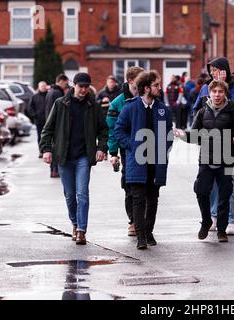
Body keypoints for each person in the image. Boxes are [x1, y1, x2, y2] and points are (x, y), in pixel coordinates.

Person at [174, 79, 234, 243]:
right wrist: (182, 135)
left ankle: (221, 230)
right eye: (214, 92)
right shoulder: (202, 112)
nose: (217, 95)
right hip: (206, 159)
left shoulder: (232, 111)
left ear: (224, 93)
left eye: (220, 92)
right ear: (210, 93)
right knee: (201, 191)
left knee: (224, 195)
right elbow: (194, 135)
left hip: (226, 160)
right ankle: (206, 220)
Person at [40, 72, 108, 246]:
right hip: (64, 157)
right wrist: (47, 150)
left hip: (83, 157)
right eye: (80, 86)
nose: (84, 90)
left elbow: (103, 130)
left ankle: (81, 230)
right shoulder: (61, 104)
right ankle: (75, 223)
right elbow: (48, 129)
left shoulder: (93, 106)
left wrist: (101, 148)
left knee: (82, 194)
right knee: (70, 195)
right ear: (73, 86)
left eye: (86, 87)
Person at [114, 70, 173, 250]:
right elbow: (118, 131)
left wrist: (164, 147)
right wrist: (131, 144)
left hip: (156, 162)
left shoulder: (163, 109)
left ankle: (149, 231)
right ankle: (141, 236)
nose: (159, 88)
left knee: (153, 198)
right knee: (138, 199)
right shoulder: (130, 107)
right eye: (156, 85)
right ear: (146, 88)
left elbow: (169, 132)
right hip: (137, 161)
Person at [192, 57, 234, 236]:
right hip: (208, 147)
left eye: (216, 70)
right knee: (208, 185)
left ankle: (230, 219)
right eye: (211, 70)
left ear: (225, 70)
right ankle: (213, 217)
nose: (213, 73)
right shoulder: (207, 87)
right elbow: (198, 108)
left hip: (227, 146)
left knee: (228, 185)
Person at [106, 66, 144, 237]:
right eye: (140, 80)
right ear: (130, 81)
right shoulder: (117, 103)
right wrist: (113, 153)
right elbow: (112, 129)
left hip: (147, 148)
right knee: (129, 186)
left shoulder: (147, 98)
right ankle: (133, 221)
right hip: (127, 150)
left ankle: (145, 220)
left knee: (148, 186)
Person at [45, 74, 69, 178]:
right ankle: (55, 170)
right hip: (57, 123)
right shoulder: (58, 92)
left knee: (53, 146)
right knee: (57, 147)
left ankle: (53, 170)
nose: (66, 85)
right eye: (66, 83)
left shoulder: (50, 92)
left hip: (50, 121)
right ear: (61, 81)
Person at [27, 81, 48, 158]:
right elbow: (30, 108)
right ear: (39, 87)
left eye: (44, 86)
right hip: (38, 121)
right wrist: (35, 115)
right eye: (41, 86)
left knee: (48, 137)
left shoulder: (49, 95)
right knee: (40, 137)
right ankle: (41, 151)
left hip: (48, 120)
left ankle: (47, 151)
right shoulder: (34, 97)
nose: (43, 87)